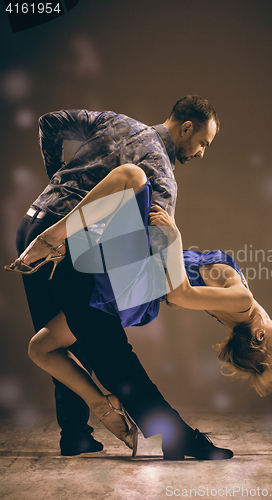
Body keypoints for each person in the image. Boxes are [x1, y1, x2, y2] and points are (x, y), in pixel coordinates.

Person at [9, 165, 272, 454]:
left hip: (137, 277)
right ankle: (101, 404)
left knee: (130, 176)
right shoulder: (246, 318)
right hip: (134, 293)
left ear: (259, 335)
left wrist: (174, 236)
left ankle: (51, 237)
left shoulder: (243, 303)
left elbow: (181, 294)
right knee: (40, 348)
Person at [5, 96, 234, 460]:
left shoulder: (113, 122)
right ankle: (174, 436)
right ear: (187, 127)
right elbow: (155, 250)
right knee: (110, 349)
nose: (201, 152)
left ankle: (75, 434)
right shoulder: (161, 173)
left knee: (57, 337)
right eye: (203, 142)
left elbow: (50, 121)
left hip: (32, 224)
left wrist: (58, 180)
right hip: (71, 248)